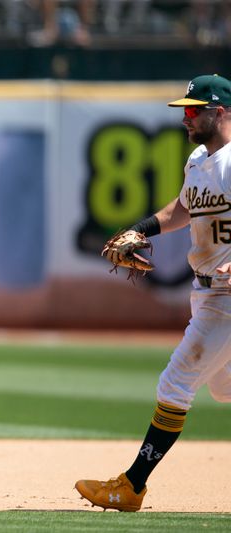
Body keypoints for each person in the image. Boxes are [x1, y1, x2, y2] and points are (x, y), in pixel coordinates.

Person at [75, 74, 231, 512]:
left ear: (219, 111)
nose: (185, 118)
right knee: (223, 389)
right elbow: (182, 208)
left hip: (226, 296)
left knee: (176, 382)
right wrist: (139, 229)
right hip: (206, 291)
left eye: (193, 109)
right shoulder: (200, 160)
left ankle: (132, 485)